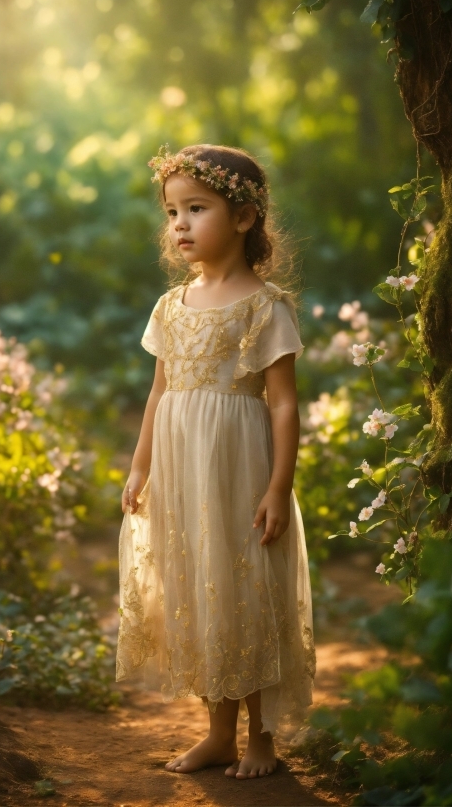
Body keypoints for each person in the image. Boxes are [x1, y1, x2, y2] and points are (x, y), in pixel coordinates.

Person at [116, 144, 315, 780]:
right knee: (200, 591)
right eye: (172, 211)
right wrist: (141, 467)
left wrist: (279, 488)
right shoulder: (171, 307)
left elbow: (283, 406)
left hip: (238, 466)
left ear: (245, 217)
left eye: (196, 208)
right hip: (181, 468)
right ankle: (218, 734)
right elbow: (159, 392)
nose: (178, 224)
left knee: (245, 590)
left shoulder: (264, 306)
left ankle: (263, 738)